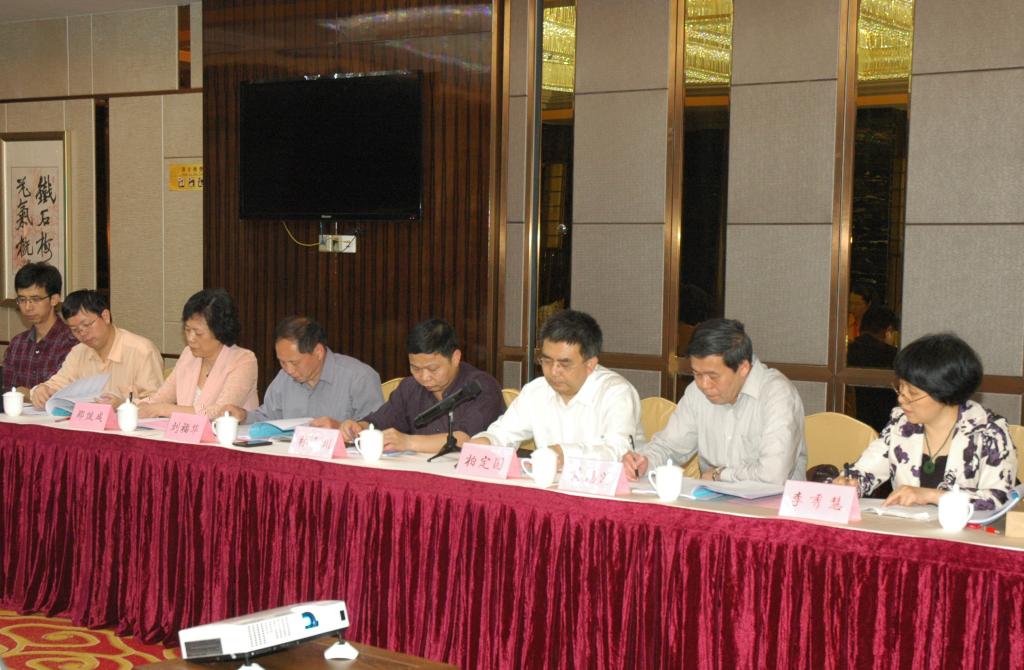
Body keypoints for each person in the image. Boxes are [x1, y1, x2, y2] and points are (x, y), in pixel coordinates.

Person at [834, 334, 1016, 510]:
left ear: (946, 392)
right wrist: (851, 483)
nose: (901, 399)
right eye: (900, 387)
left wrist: (931, 496)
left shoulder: (988, 431)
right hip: (909, 530)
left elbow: (998, 499)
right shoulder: (902, 424)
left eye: (912, 393)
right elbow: (865, 471)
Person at [623, 318, 807, 484]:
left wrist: (720, 474)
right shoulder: (696, 392)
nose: (704, 385)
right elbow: (669, 446)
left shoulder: (777, 395)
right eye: (696, 374)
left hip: (772, 506)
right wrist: (645, 461)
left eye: (713, 376)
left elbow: (773, 475)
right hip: (712, 503)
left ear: (743, 367)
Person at [472, 309, 642, 463]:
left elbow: (619, 451)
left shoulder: (616, 392)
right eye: (546, 361)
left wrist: (563, 453)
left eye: (564, 364)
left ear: (590, 364)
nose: (554, 371)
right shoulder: (536, 391)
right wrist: (487, 441)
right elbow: (502, 433)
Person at [327, 319, 504, 453]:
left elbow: (464, 439)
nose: (424, 377)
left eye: (433, 369)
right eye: (416, 368)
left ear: (456, 357)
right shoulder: (410, 387)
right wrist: (360, 427)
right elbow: (378, 422)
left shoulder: (481, 387)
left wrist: (408, 442)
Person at [225, 316, 383, 424]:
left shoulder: (359, 378)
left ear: (318, 352)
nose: (288, 370)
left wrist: (340, 430)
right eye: (282, 362)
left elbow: (377, 428)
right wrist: (244, 416)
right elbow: (268, 417)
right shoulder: (284, 378)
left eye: (294, 362)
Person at [29, 289, 164, 408]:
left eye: (87, 325)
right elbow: (58, 384)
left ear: (105, 316)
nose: (82, 333)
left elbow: (156, 401)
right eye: (75, 330)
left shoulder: (142, 351)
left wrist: (123, 405)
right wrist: (41, 390)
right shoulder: (78, 352)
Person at [139, 289, 258, 419]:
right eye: (187, 330)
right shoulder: (188, 355)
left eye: (198, 333)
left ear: (220, 332)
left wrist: (162, 409)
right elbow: (161, 398)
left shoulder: (243, 360)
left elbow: (220, 411)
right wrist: (136, 405)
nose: (190, 338)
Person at [2, 262, 78, 394]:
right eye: (22, 299)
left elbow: (61, 393)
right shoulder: (17, 344)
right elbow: (8, 392)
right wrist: (28, 394)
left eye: (35, 299)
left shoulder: (71, 341)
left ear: (54, 299)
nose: (27, 307)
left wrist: (25, 393)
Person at [846, 305, 899, 431]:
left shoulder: (846, 353)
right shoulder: (893, 357)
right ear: (889, 330)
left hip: (851, 424)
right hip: (884, 426)